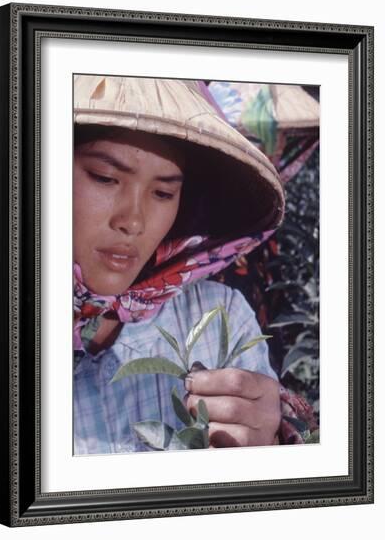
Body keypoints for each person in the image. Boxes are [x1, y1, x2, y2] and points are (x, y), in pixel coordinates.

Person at [73, 75, 314, 454]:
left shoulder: (218, 315)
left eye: (164, 192)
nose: (133, 221)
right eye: (105, 178)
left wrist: (267, 439)